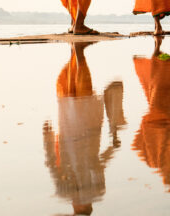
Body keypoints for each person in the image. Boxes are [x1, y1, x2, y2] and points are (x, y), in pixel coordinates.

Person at [43, 42, 125, 215]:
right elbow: (52, 162)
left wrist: (112, 147)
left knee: (78, 86)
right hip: (74, 128)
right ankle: (77, 51)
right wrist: (47, 136)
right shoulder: (66, 191)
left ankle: (77, 52)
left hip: (86, 127)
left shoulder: (94, 191)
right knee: (71, 87)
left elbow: (98, 164)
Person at [133, 36, 170, 191]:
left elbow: (140, 146)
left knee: (161, 87)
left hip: (162, 120)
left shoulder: (155, 162)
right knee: (169, 85)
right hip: (168, 119)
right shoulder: (167, 162)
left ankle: (161, 51)